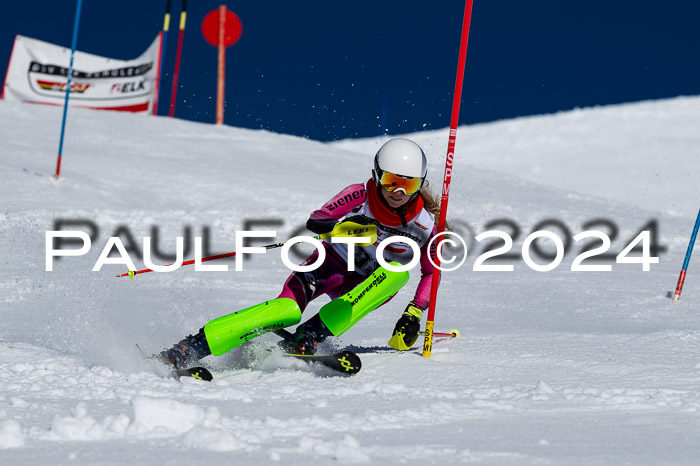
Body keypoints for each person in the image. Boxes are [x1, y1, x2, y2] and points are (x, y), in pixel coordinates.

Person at [159, 138, 442, 369]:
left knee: (397, 273)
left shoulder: (425, 225)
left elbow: (431, 272)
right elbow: (318, 219)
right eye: (392, 180)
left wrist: (414, 312)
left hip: (364, 286)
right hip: (327, 267)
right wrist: (344, 228)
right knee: (287, 310)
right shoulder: (361, 195)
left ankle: (310, 335)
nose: (399, 191)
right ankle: (191, 347)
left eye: (410, 183)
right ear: (378, 175)